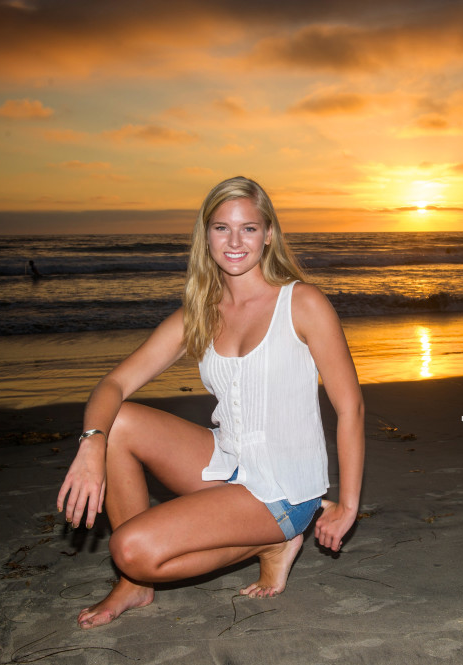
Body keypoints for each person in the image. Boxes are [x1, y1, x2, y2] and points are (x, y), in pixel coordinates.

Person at [57, 176, 364, 629]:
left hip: (282, 488)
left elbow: (350, 407)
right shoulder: (200, 312)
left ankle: (275, 539)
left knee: (130, 549)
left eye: (249, 228)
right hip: (228, 462)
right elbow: (113, 384)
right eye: (222, 228)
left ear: (269, 235)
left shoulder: (301, 303)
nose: (235, 241)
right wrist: (90, 445)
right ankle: (134, 587)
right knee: (117, 422)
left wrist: (348, 505)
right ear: (206, 237)